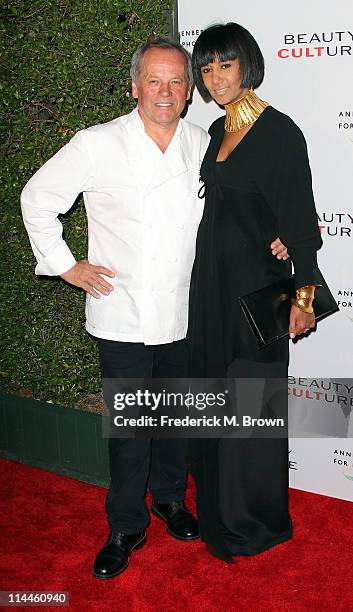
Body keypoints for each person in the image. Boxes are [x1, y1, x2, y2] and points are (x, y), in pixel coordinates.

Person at [20, 35, 288, 578]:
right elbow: (37, 197)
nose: (164, 91)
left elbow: (244, 204)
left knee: (176, 421)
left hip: (189, 313)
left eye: (176, 82)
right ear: (135, 86)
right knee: (131, 429)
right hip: (123, 314)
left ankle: (169, 499)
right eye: (154, 80)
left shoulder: (205, 142)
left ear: (189, 92)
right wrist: (65, 264)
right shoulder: (98, 143)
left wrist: (278, 237)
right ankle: (125, 524)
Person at [188, 23, 323, 563]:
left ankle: (256, 523)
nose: (216, 77)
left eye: (226, 64)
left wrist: (305, 300)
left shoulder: (279, 132)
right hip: (211, 293)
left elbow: (301, 222)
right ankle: (218, 513)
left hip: (256, 294)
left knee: (252, 410)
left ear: (248, 66)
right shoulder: (218, 130)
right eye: (207, 67)